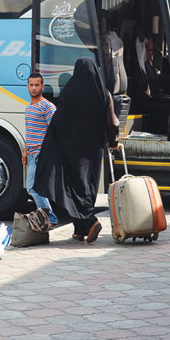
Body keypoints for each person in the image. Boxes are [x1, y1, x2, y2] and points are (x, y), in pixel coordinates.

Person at [34, 57, 118, 243]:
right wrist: (113, 142)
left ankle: (90, 222)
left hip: (70, 149)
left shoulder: (69, 93)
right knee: (87, 185)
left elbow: (58, 122)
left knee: (71, 185)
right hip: (92, 151)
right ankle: (79, 230)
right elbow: (112, 123)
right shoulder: (103, 94)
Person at [22, 73, 58, 225]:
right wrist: (25, 152)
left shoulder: (47, 106)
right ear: (27, 87)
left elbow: (54, 130)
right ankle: (48, 217)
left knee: (32, 187)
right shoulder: (29, 107)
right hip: (31, 153)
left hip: (40, 153)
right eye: (31, 85)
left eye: (37, 85)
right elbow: (30, 130)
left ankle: (50, 217)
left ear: (42, 87)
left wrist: (46, 152)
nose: (34, 87)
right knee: (36, 187)